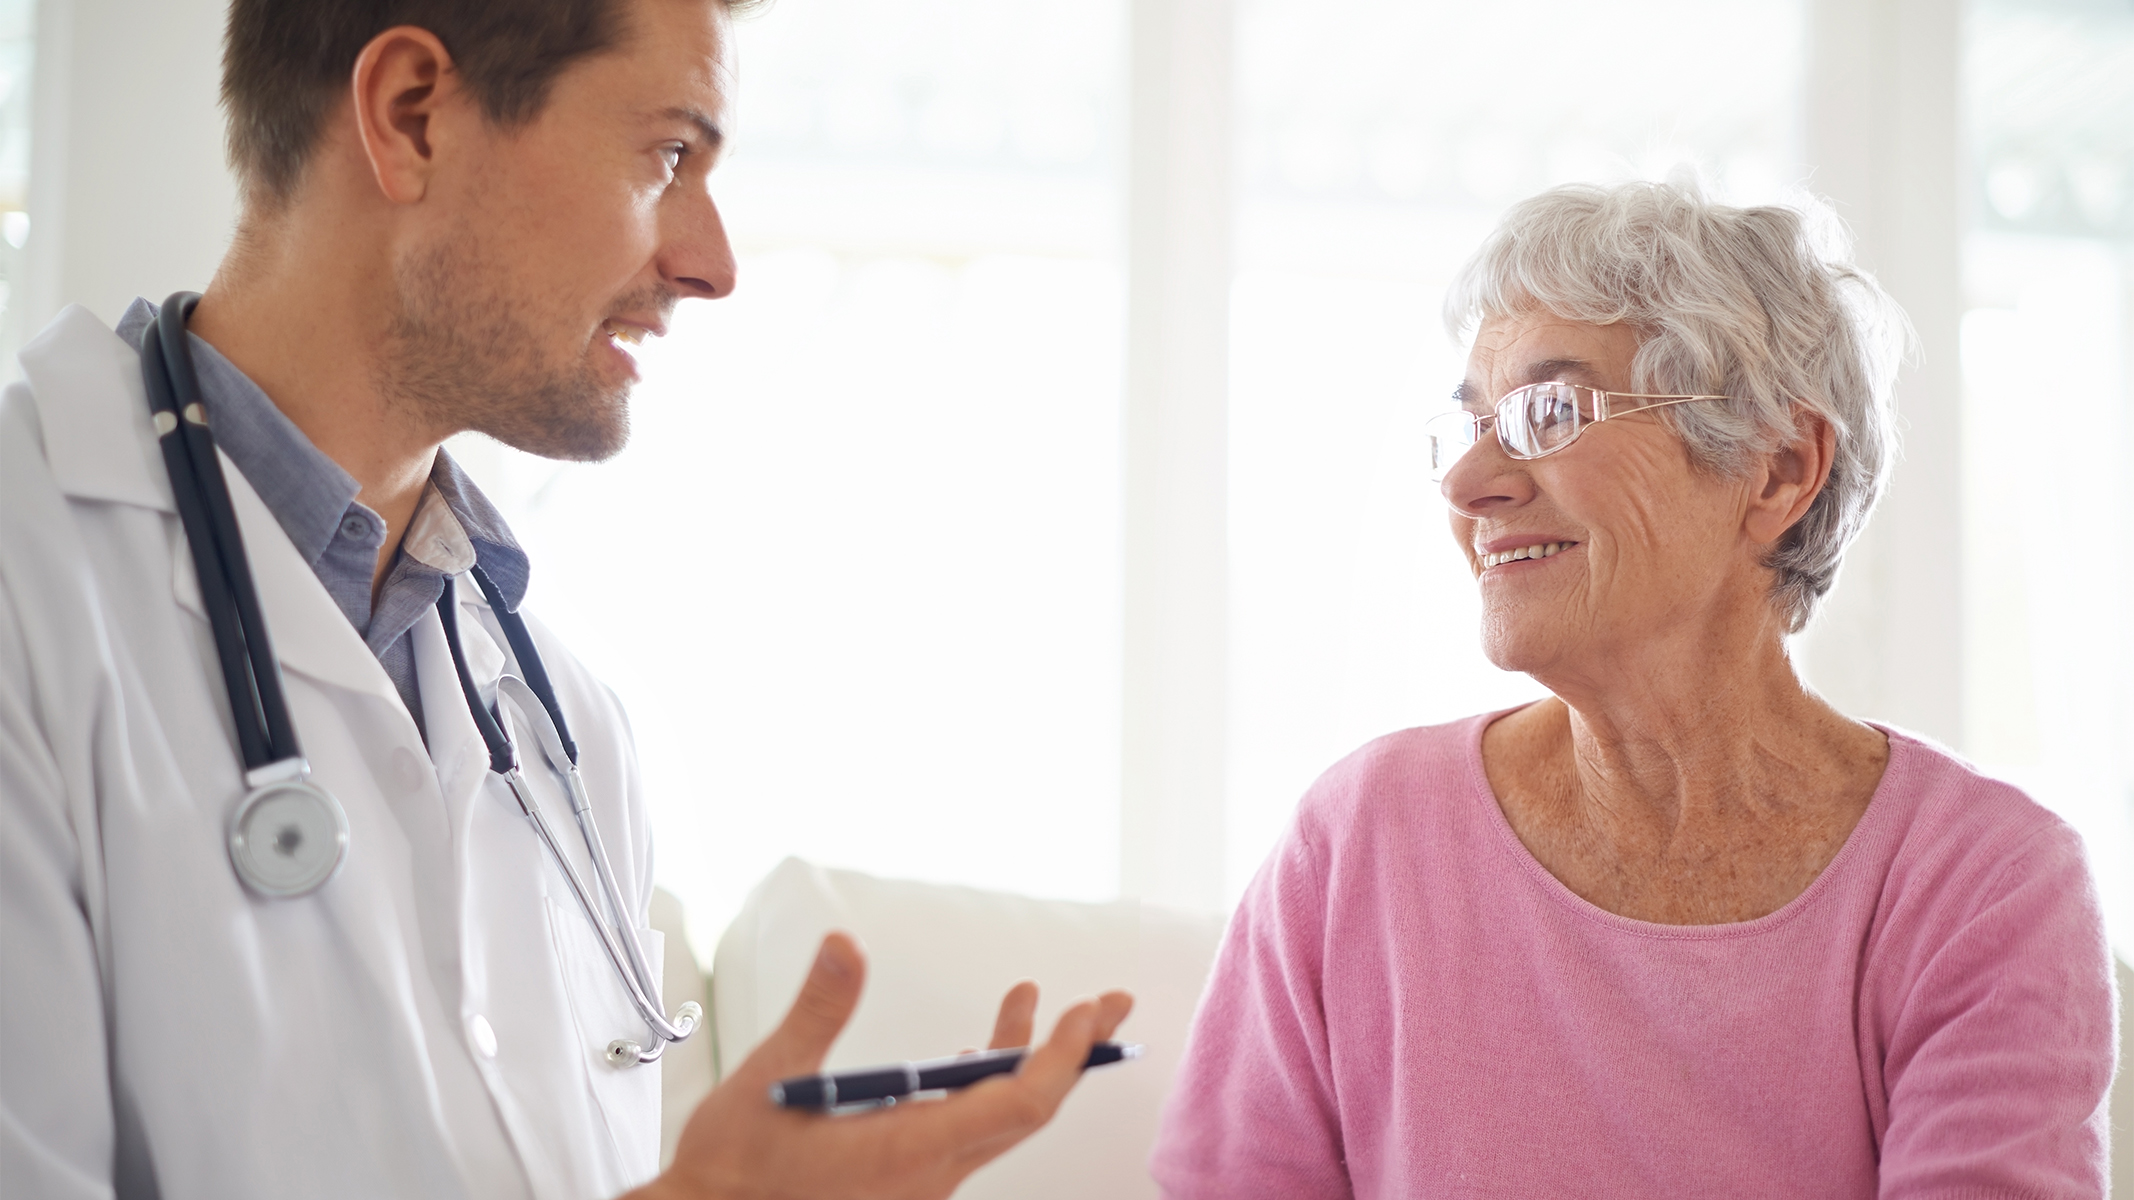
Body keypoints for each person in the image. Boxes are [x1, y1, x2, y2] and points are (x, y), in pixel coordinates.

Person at [0, 0, 1130, 1197]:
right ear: (412, 117)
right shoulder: (33, 584)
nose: (714, 263)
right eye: (668, 156)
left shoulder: (567, 730)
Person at [1149, 182, 2115, 1197]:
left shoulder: (1982, 883)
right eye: (1471, 421)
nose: (1468, 483)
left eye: (1549, 412)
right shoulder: (1357, 841)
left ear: (1779, 470)